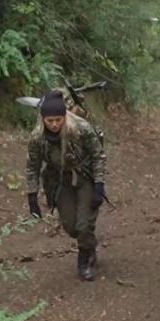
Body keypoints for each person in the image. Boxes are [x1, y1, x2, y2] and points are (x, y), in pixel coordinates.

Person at [25, 89, 108, 281]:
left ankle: (84, 261)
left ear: (64, 116)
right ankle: (89, 244)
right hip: (60, 181)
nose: (54, 124)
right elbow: (32, 166)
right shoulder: (37, 137)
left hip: (85, 177)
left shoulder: (81, 128)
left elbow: (98, 156)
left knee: (84, 224)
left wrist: (99, 184)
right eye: (49, 121)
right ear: (43, 119)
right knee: (71, 226)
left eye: (58, 120)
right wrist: (32, 195)